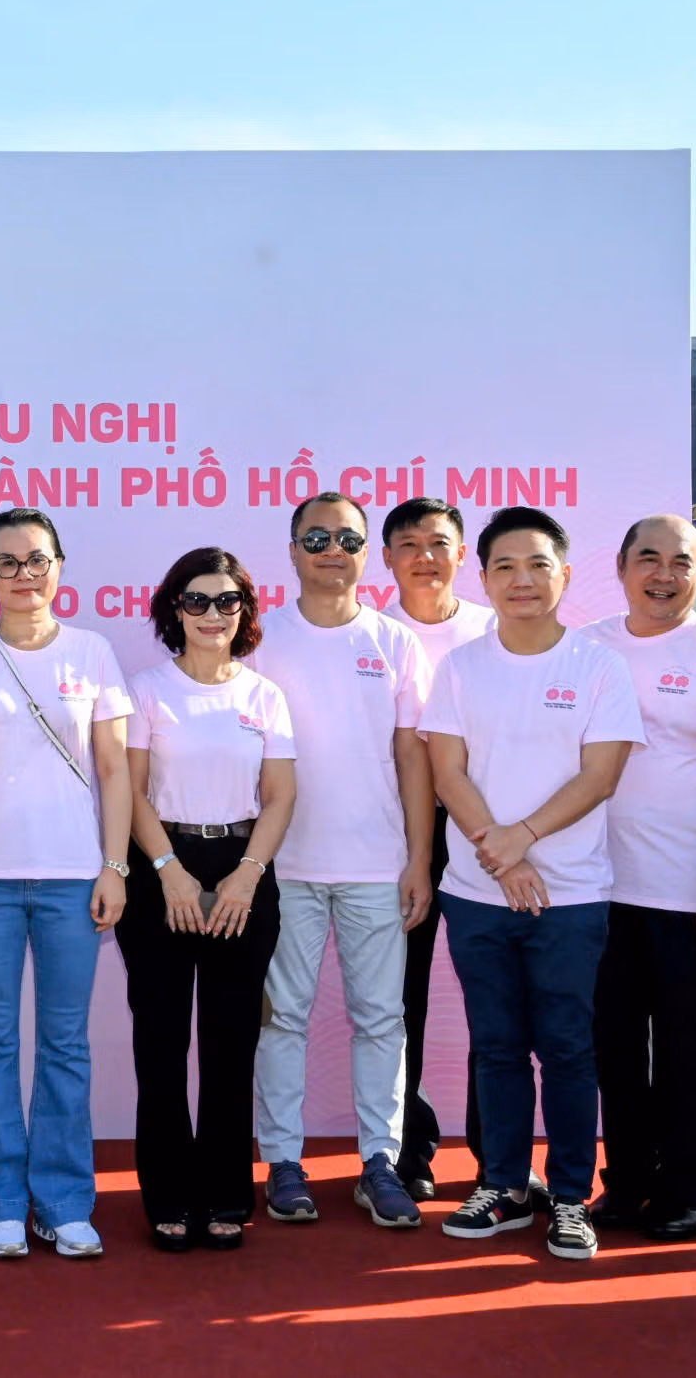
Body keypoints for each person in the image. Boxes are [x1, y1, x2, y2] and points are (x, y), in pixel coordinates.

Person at [420, 506, 640, 1263]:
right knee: (497, 1046)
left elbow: (601, 774)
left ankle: (571, 1195)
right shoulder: (461, 667)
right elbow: (447, 771)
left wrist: (525, 837)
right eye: (505, 567)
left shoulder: (598, 666)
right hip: (477, 893)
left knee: (569, 1047)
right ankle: (505, 1185)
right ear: (483, 579)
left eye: (538, 564)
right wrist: (503, 855)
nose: (522, 580)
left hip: (570, 896)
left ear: (565, 575)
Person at [0, 509, 133, 1262]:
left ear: (59, 566)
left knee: (65, 1044)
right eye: (8, 562)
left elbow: (114, 768)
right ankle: (0, 1202)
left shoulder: (93, 651)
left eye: (37, 559)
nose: (24, 574)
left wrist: (114, 865)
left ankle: (65, 1201)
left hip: (73, 878)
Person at [578, 514, 696, 1241]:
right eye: (648, 558)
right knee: (615, 1048)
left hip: (690, 892)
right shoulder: (584, 647)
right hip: (595, 888)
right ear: (621, 568)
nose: (664, 574)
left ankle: (688, 1185)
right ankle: (626, 1180)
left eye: (680, 561)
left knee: (691, 1049)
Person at [252, 493, 435, 1230]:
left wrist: (419, 858)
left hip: (377, 865)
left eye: (349, 539)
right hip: (284, 865)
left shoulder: (395, 643)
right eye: (318, 537)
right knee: (282, 1020)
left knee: (382, 1019)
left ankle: (380, 1162)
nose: (334, 550)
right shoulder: (259, 637)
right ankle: (282, 1161)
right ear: (293, 548)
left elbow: (413, 759)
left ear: (368, 553)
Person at [117, 547, 297, 1251]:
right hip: (161, 869)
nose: (213, 614)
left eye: (227, 601)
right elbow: (130, 790)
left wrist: (249, 873)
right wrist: (167, 868)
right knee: (160, 1044)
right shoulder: (146, 689)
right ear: (175, 609)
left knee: (231, 1043)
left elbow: (280, 795)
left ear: (243, 610)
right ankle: (167, 1195)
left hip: (242, 870)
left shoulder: (264, 695)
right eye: (197, 600)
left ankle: (226, 1194)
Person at [381, 496, 495, 1200]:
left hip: (486, 834)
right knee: (401, 1002)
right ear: (387, 557)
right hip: (398, 839)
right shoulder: (371, 634)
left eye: (439, 543)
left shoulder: (496, 629)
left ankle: (498, 1152)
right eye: (409, 544)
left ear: (462, 555)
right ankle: (405, 1148)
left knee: (495, 1002)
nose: (425, 557)